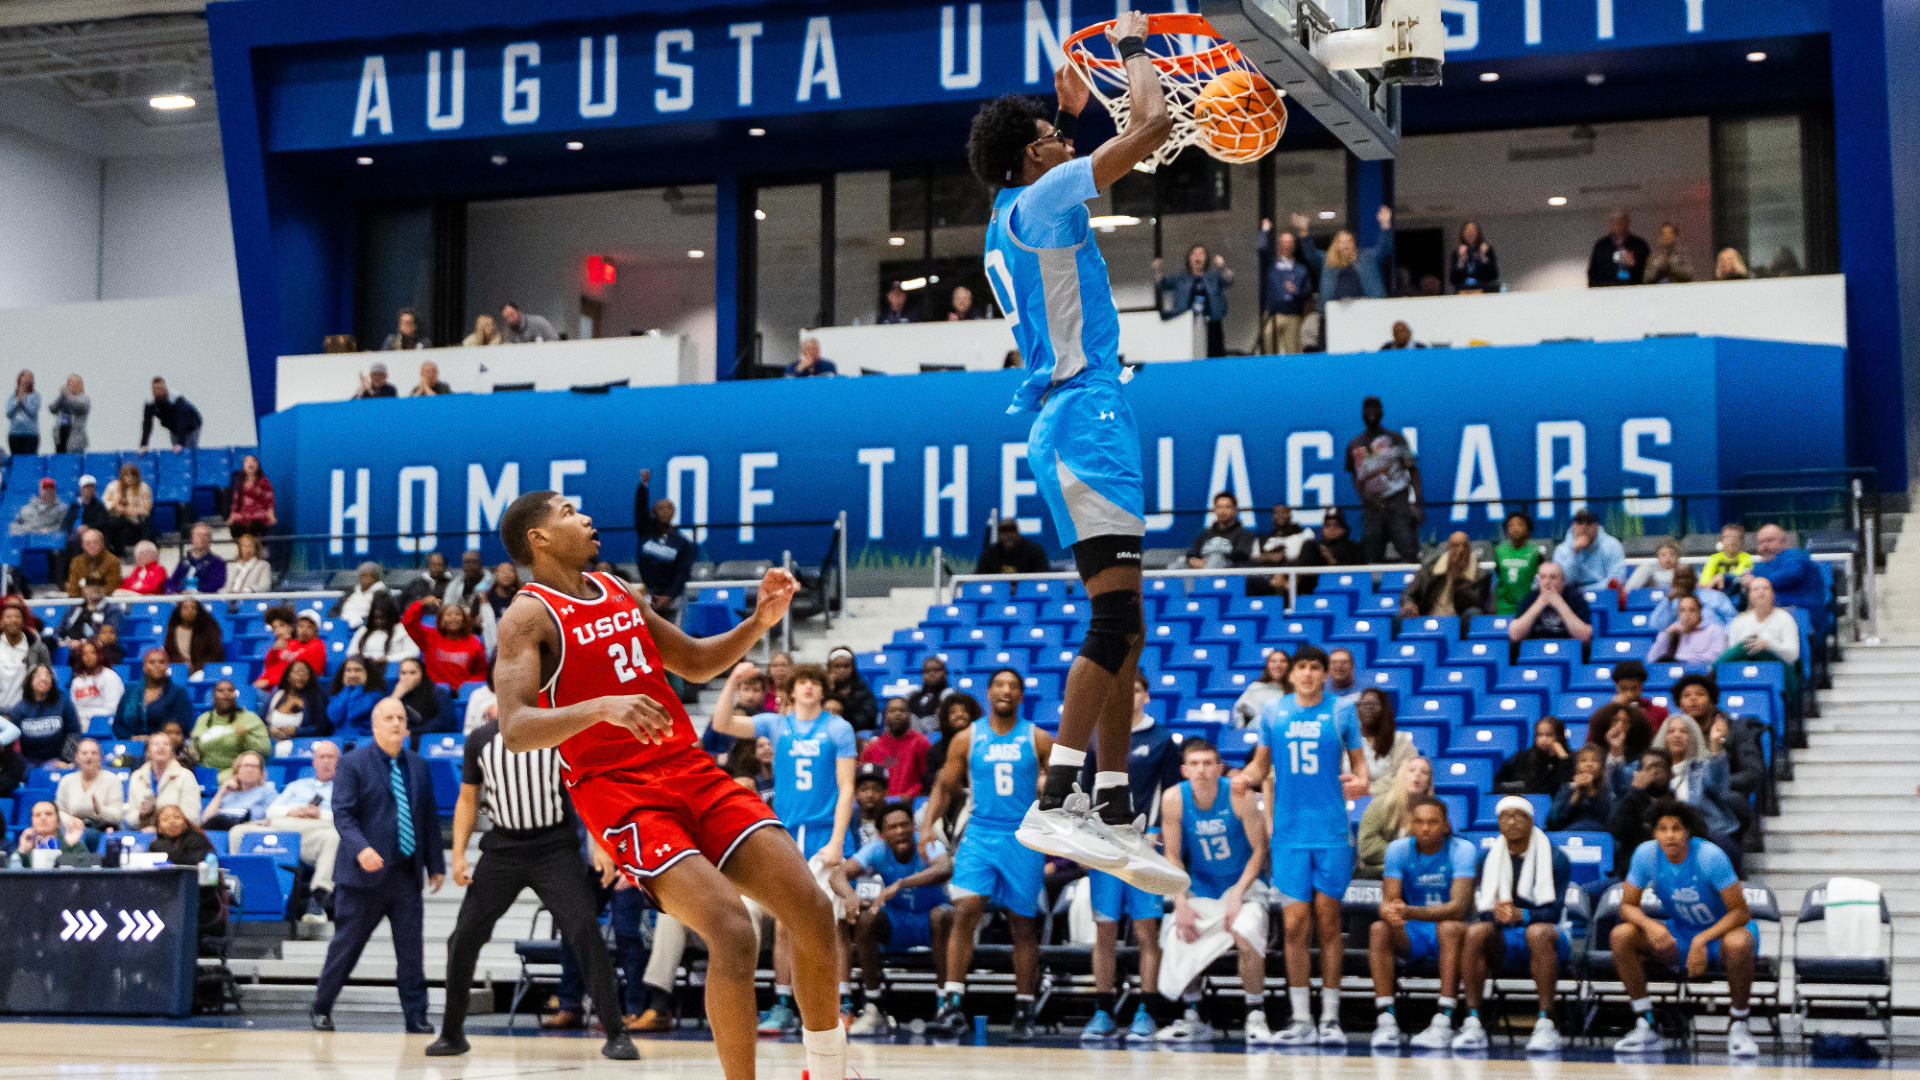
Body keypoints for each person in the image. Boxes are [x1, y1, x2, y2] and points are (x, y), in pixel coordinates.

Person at [491, 489, 850, 1080]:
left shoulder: (618, 590)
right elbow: (516, 727)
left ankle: (829, 1070)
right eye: (567, 512)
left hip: (687, 767)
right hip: (619, 789)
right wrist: (602, 707)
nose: (586, 517)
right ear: (539, 538)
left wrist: (759, 621)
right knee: (732, 930)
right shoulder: (527, 617)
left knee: (810, 906)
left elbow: (697, 664)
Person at [968, 27, 1187, 895]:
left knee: (1127, 620)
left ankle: (1112, 804)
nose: (1069, 142)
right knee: (1113, 623)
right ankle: (1057, 796)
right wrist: (1137, 51)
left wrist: (1060, 112)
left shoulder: (1007, 209)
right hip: (1087, 415)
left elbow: (1046, 154)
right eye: (1057, 138)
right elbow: (1152, 126)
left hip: (1075, 415)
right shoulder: (1050, 190)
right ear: (1035, 157)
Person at [430, 712, 638, 1060]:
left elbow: (585, 788)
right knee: (463, 936)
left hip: (554, 848)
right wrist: (458, 856)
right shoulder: (480, 739)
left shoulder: (559, 731)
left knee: (585, 929)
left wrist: (601, 844)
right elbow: (468, 799)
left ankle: (616, 1033)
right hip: (502, 849)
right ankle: (451, 1034)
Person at [706, 661, 858, 1033]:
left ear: (823, 690)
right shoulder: (775, 724)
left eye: (814, 682)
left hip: (823, 834)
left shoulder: (839, 728)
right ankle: (783, 1002)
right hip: (786, 835)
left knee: (830, 922)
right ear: (790, 691)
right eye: (802, 682)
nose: (808, 687)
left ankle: (842, 1001)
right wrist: (731, 681)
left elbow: (847, 788)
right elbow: (723, 724)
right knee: (786, 923)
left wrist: (838, 841)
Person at [1232, 644, 1369, 1044]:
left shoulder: (1342, 710)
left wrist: (1361, 781)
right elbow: (1261, 764)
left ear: (1325, 674)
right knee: (1294, 926)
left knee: (1328, 922)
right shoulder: (1273, 711)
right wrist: (1244, 777)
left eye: (1315, 667)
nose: (1308, 674)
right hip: (1289, 834)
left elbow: (1359, 765)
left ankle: (1330, 1018)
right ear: (1289, 675)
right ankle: (1301, 1019)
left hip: (1331, 831)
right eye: (1302, 667)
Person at [919, 668, 1053, 1041]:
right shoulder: (967, 737)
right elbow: (944, 784)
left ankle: (1024, 1008)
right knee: (966, 910)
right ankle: (952, 1005)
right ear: (989, 692)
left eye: (1013, 686)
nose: (1006, 690)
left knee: (1022, 925)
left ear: (1022, 696)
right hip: (979, 832)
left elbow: (1065, 784)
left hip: (1023, 837)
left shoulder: (1039, 737)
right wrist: (927, 824)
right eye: (999, 685)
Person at [309, 699, 446, 1035]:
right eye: (389, 718)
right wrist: (362, 849)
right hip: (361, 876)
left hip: (404, 873)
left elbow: (427, 817)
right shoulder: (354, 764)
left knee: (411, 952)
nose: (396, 723)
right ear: (375, 725)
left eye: (401, 718)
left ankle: (416, 1016)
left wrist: (435, 862)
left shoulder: (418, 765)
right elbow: (343, 814)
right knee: (347, 947)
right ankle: (321, 1006)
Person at [1610, 800, 1761, 1056]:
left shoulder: (1709, 856)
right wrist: (1651, 925)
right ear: (1654, 832)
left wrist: (1701, 940)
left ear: (1688, 832)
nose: (1669, 835)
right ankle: (1645, 1024)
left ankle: (1739, 1024)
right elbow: (1627, 907)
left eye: (1677, 829)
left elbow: (1741, 912)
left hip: (1721, 933)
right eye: (1663, 829)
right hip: (1680, 931)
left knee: (1738, 942)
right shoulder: (1646, 854)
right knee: (1621, 934)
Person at [1078, 673, 1182, 1042]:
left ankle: (1146, 1011)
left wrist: (1164, 843)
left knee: (1145, 932)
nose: (1127, 697)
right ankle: (1103, 1011)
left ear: (1146, 696)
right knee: (1104, 931)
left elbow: (1173, 796)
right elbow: (1083, 795)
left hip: (1143, 849)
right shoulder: (1099, 736)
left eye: (1134, 690)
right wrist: (1083, 844)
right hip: (1104, 848)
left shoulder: (1163, 739)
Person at [1151, 738, 1271, 1043]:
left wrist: (1237, 893)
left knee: (1246, 930)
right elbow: (1173, 856)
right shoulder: (1174, 798)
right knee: (1178, 929)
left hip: (1245, 885)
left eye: (1207, 764)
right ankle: (1193, 1016)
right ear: (1184, 770)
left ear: (1219, 768)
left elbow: (1260, 850)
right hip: (1202, 886)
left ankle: (1255, 1015)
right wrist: (1180, 900)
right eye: (1194, 764)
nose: (1201, 770)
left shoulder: (1238, 795)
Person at [828, 803, 957, 1036]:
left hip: (930, 917)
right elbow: (838, 875)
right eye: (893, 827)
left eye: (904, 825)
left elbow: (944, 868)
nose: (900, 831)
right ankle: (874, 1008)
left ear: (913, 827)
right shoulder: (876, 849)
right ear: (882, 834)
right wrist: (850, 896)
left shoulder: (926, 844)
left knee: (943, 915)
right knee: (867, 919)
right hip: (898, 921)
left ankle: (944, 1007)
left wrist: (901, 883)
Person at [1456, 797, 1571, 1052]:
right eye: (1505, 816)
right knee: (1475, 931)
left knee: (1537, 933)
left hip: (1550, 935)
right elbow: (1482, 910)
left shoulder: (1555, 858)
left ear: (1531, 822)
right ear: (1498, 823)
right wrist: (1497, 915)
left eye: (1519, 816)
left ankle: (1546, 1022)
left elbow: (1553, 912)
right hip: (1503, 936)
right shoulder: (1487, 858)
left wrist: (1522, 915)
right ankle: (1473, 1020)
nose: (1512, 821)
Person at [1367, 796, 1476, 1050]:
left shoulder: (1463, 850)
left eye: (1432, 822)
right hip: (1414, 932)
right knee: (1379, 929)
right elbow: (1390, 901)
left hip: (1451, 932)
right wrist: (1389, 911)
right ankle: (1386, 1019)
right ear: (1411, 824)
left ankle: (1444, 1018)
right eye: (1419, 822)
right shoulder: (1398, 849)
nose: (1425, 828)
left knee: (1448, 927)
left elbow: (1457, 909)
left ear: (1446, 825)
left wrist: (1408, 911)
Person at [231, 740, 342, 921]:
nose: (326, 761)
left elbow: (347, 817)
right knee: (238, 832)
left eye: (331, 757)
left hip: (314, 833)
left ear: (339, 762)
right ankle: (240, 890)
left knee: (333, 838)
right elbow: (272, 810)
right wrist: (293, 811)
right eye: (321, 757)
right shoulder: (297, 785)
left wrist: (319, 814)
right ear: (314, 762)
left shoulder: (344, 786)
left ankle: (318, 900)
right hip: (281, 828)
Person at [1345, 396, 1422, 564]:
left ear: (1381, 412)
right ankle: (1373, 588)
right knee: (1371, 553)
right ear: (1362, 414)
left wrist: (1417, 504)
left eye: (1375, 409)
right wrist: (1363, 497)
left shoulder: (1397, 439)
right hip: (1372, 507)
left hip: (1398, 502)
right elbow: (1354, 475)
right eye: (1367, 409)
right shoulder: (1354, 444)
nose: (1371, 413)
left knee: (1408, 550)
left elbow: (1413, 471)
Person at [1721, 576, 1802, 700]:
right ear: (1749, 595)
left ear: (1773, 594)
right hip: (1744, 673)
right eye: (1756, 589)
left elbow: (1793, 655)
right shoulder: (1739, 622)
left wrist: (1768, 645)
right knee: (1740, 651)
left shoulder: (1785, 619)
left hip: (1777, 671)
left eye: (1766, 588)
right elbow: (1733, 655)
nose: (1761, 592)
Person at [1294, 206, 1396, 299]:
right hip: (1333, 311)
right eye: (1341, 242)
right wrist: (1304, 230)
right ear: (1336, 245)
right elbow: (1311, 254)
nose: (1346, 244)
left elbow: (1384, 248)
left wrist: (1385, 224)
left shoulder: (1367, 257)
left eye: (1349, 241)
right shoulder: (1327, 260)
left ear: (1354, 244)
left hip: (1367, 310)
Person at [633, 469, 697, 616]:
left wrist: (670, 595)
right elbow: (640, 510)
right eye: (661, 507)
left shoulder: (682, 543)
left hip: (674, 598)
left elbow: (683, 572)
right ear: (653, 512)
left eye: (670, 507)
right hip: (650, 594)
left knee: (676, 636)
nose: (666, 511)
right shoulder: (646, 532)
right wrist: (643, 485)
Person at [1356, 756, 1433, 877]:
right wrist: (1405, 855)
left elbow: (1437, 848)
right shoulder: (1379, 804)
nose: (1418, 774)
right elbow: (1367, 846)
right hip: (1380, 871)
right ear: (1402, 776)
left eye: (1424, 772)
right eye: (1412, 770)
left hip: (1418, 874)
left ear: (1428, 783)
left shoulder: (1434, 813)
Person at [1749, 523, 1829, 639]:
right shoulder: (1762, 566)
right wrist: (1726, 578)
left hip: (1801, 619)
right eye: (1761, 542)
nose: (1765, 546)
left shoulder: (1795, 555)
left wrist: (1757, 582)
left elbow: (1791, 574)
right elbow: (1745, 577)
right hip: (1773, 619)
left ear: (1785, 542)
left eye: (1770, 540)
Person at [1154, 245, 1233, 357]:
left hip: (1211, 322)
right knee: (1187, 355)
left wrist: (1223, 266)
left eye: (1201, 254)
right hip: (1186, 323)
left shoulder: (1214, 276)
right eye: (1194, 254)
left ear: (1206, 259)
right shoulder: (1181, 278)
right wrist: (1158, 269)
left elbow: (1229, 280)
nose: (1198, 257)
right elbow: (1162, 284)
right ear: (1189, 258)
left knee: (1215, 355)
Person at [1608, 749, 1673, 879]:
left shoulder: (1676, 807)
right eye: (1648, 767)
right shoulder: (1630, 801)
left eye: (1659, 766)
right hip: (1629, 876)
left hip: (1667, 877)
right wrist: (1636, 793)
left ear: (1671, 773)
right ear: (1638, 773)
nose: (1654, 771)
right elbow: (1617, 831)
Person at [401, 596, 489, 689]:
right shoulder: (429, 636)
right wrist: (421, 604)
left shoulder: (474, 642)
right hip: (435, 692)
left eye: (457, 614)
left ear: (464, 620)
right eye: (448, 615)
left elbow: (481, 672)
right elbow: (408, 622)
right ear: (440, 620)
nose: (453, 618)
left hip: (462, 694)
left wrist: (465, 687)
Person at [193, 679, 270, 782]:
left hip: (238, 774)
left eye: (230, 690)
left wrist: (245, 738)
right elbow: (195, 750)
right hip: (206, 774)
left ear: (235, 694)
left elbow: (265, 750)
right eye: (221, 691)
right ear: (213, 695)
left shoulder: (249, 718)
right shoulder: (204, 719)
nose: (226, 694)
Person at [1256, 218, 1313, 354]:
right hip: (1273, 316)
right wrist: (1264, 230)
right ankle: (1272, 372)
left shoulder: (1301, 270)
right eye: (1283, 241)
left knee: (1293, 352)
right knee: (1268, 339)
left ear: (1293, 245)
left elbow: (1308, 292)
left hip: (1293, 315)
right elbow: (1261, 249)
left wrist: (1296, 291)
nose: (1286, 244)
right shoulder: (1271, 267)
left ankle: (1293, 374)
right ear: (1279, 245)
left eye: (1289, 242)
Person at [123, 730, 200, 830]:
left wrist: (160, 828)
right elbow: (130, 820)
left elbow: (192, 817)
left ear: (172, 752)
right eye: (156, 744)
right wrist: (142, 815)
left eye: (166, 744)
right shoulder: (136, 777)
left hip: (177, 836)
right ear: (148, 752)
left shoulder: (185, 776)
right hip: (144, 832)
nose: (161, 747)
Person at [1400, 532, 1489, 617]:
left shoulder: (1480, 575)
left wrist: (1459, 579)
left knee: (1473, 613)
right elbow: (1408, 592)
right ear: (1448, 548)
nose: (1460, 550)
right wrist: (1409, 603)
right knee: (1400, 615)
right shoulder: (1431, 568)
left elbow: (1477, 603)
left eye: (1465, 546)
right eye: (1456, 546)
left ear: (1469, 549)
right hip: (1429, 615)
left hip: (1459, 620)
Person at [1507, 561, 1594, 647]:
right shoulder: (1530, 598)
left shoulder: (1575, 599)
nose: (1547, 581)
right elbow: (1515, 635)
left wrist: (1559, 603)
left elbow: (1584, 636)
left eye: (1553, 577)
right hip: (1535, 649)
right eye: (1543, 577)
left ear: (1563, 581)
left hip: (1567, 648)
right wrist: (1540, 603)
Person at [920, 692, 980, 811]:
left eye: (964, 710)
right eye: (953, 712)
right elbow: (928, 780)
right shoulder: (935, 750)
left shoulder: (983, 745)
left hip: (979, 801)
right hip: (945, 803)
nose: (959, 715)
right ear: (945, 719)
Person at [114, 648, 192, 739]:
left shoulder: (178, 693)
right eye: (151, 662)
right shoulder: (130, 694)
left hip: (166, 743)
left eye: (161, 662)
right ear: (144, 667)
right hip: (134, 743)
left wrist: (152, 738)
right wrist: (132, 737)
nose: (157, 665)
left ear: (167, 666)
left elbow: (181, 723)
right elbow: (118, 725)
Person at [861, 696, 930, 797]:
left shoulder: (920, 742)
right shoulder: (871, 748)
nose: (897, 714)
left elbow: (927, 778)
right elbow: (866, 782)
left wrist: (908, 796)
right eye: (892, 711)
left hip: (911, 801)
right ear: (885, 715)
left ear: (909, 715)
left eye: (902, 710)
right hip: (880, 804)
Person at [10, 664, 78, 767]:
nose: (43, 679)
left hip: (58, 761)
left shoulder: (64, 703)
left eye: (47, 675)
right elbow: (14, 743)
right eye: (38, 675)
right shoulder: (19, 709)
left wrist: (66, 761)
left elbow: (73, 733)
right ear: (29, 681)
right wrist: (23, 765)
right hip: (27, 763)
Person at [1588, 701, 1656, 798]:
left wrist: (1618, 752)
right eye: (1615, 720)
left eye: (1625, 722)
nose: (1619, 726)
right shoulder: (1592, 754)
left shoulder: (1641, 757)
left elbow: (1623, 789)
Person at [56, 738, 124, 834]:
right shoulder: (66, 780)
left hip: (103, 830)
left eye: (94, 753)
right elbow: (58, 812)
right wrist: (70, 821)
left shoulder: (112, 780)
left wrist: (99, 809)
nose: (89, 757)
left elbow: (118, 816)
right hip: (72, 830)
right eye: (84, 753)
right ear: (77, 758)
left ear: (100, 757)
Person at [1355, 687, 1414, 795]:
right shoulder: (1346, 741)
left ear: (1384, 708)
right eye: (1363, 704)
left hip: (1389, 803)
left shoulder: (1400, 742)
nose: (1368, 708)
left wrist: (1368, 790)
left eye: (1373, 704)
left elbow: (1405, 780)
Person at [1248, 504, 1317, 595]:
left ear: (1290, 515)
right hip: (1270, 579)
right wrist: (1269, 557)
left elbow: (1306, 555)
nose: (1280, 515)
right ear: (1272, 517)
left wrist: (1283, 558)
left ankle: (1290, 584)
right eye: (1276, 513)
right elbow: (1254, 558)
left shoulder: (1304, 534)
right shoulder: (1262, 539)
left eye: (1284, 512)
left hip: (1297, 578)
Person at [1496, 716, 1574, 795]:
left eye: (1549, 735)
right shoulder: (1522, 757)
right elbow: (1499, 782)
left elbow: (1566, 787)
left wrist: (1564, 758)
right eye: (1539, 735)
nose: (1543, 740)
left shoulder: (1570, 759)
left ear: (1559, 736)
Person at [201, 750, 278, 828]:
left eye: (254, 766)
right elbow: (206, 819)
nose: (249, 770)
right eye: (246, 765)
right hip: (222, 831)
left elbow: (273, 819)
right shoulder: (227, 793)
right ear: (237, 770)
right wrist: (221, 793)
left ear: (260, 773)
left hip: (250, 833)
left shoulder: (267, 792)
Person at [1554, 508, 1628, 589]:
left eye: (1588, 523)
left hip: (1603, 593)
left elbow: (1617, 578)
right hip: (1573, 596)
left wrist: (1587, 591)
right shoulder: (1562, 550)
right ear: (1573, 526)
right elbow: (1563, 581)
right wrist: (1574, 552)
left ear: (1597, 526)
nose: (1583, 527)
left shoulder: (1612, 545)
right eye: (1579, 523)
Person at [255, 605, 326, 690]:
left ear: (316, 630)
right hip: (278, 687)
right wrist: (273, 651)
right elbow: (271, 666)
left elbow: (293, 671)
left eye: (309, 627)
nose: (304, 630)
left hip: (303, 689)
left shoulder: (317, 645)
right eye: (301, 626)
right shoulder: (292, 643)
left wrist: (269, 682)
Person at [1648, 565, 1738, 631]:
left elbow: (1734, 622)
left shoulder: (1715, 597)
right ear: (1674, 582)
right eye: (1679, 578)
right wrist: (1668, 600)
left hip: (1714, 645)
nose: (1684, 581)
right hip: (1683, 646)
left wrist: (1721, 636)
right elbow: (1656, 626)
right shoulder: (1671, 602)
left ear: (1695, 580)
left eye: (1687, 577)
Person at [1547, 745, 1614, 831]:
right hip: (1567, 836)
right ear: (1577, 766)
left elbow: (1608, 820)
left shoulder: (1607, 789)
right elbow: (1552, 821)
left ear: (1602, 767)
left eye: (1595, 761)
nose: (1589, 764)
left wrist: (1591, 791)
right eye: (1583, 761)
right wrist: (1576, 794)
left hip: (1597, 836)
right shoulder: (1566, 788)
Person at [1649, 595, 1729, 665]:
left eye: (1692, 610)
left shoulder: (1713, 629)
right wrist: (1666, 634)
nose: (1687, 614)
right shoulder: (1675, 633)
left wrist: (1683, 660)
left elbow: (1715, 657)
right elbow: (1652, 659)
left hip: (1701, 675)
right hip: (1677, 674)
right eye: (1683, 610)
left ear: (1699, 612)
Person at [1491, 512, 1545, 616]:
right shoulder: (1499, 551)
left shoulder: (1535, 552)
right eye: (1511, 525)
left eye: (1520, 524)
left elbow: (1539, 579)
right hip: (1504, 605)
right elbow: (1498, 574)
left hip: (1528, 604)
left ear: (1528, 529)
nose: (1515, 528)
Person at [57, 475, 109, 582]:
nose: (89, 490)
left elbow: (104, 523)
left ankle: (79, 577)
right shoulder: (74, 506)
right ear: (81, 489)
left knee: (77, 543)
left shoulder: (99, 506)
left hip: (89, 536)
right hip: (72, 535)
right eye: (86, 487)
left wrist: (88, 527)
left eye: (91, 487)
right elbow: (66, 523)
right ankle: (62, 581)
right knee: (60, 547)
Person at [347, 592, 420, 668]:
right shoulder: (363, 631)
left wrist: (387, 659)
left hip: (392, 669)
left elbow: (413, 652)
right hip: (365, 669)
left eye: (383, 618)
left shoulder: (401, 630)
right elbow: (351, 652)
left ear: (390, 616)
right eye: (376, 618)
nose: (379, 621)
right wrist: (364, 659)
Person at [0, 604, 50, 711]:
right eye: (8, 617)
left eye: (17, 617)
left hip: (28, 713)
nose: (13, 620)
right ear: (1, 622)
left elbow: (48, 681)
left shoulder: (38, 649)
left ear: (23, 622)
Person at [1186, 491, 1254, 569]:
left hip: (1229, 570)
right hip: (1201, 566)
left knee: (1215, 559)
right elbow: (1192, 553)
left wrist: (1209, 560)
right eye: (1219, 507)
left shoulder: (1244, 534)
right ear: (1214, 510)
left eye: (1227, 507)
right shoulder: (1204, 533)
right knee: (1180, 563)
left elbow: (1241, 555)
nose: (1222, 511)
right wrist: (1194, 560)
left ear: (1235, 510)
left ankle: (1206, 579)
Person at [66, 639, 123, 731]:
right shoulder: (77, 681)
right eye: (85, 654)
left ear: (99, 655)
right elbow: (74, 708)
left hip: (104, 722)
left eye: (92, 652)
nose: (89, 657)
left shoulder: (110, 676)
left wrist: (89, 717)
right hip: (80, 722)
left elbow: (113, 708)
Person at [822, 647, 879, 734]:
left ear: (853, 668)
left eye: (846, 666)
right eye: (837, 666)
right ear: (830, 668)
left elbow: (868, 717)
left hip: (856, 732)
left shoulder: (862, 689)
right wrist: (829, 689)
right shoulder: (822, 691)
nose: (842, 670)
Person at [1588, 209, 1650, 287]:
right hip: (1607, 290)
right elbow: (1593, 273)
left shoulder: (1640, 244)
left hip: (1634, 289)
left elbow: (1648, 271)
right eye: (1615, 222)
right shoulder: (1601, 246)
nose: (1618, 225)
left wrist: (1634, 264)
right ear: (1611, 224)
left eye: (1621, 222)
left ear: (1627, 223)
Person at [102, 463, 153, 556]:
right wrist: (115, 505)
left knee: (145, 520)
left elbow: (146, 509)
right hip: (119, 517)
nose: (129, 478)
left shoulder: (143, 487)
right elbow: (106, 503)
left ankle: (145, 551)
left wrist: (127, 511)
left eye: (132, 475)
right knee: (109, 523)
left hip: (136, 518)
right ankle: (115, 553)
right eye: (127, 475)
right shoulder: (113, 486)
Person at [1231, 650, 1290, 729]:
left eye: (1283, 661)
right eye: (1273, 661)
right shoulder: (1256, 687)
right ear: (1267, 665)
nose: (1278, 664)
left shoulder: (1297, 690)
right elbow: (1240, 711)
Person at [165, 523, 229, 596]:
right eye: (198, 535)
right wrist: (175, 592)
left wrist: (194, 591)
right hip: (181, 601)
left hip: (204, 601)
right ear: (192, 537)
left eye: (206, 535)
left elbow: (216, 585)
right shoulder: (184, 561)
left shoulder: (218, 562)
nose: (202, 538)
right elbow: (172, 582)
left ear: (210, 538)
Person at [139, 377, 202, 450]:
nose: (158, 391)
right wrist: (144, 444)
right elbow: (147, 424)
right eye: (155, 389)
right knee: (176, 452)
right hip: (174, 427)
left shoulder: (176, 399)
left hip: (191, 424)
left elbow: (181, 421)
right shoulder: (150, 403)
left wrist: (180, 444)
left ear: (165, 389)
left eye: (160, 389)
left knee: (188, 449)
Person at [327, 658, 385, 733]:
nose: (353, 674)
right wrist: (346, 688)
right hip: (338, 740)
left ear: (367, 673)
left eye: (358, 670)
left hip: (364, 740)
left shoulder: (375, 695)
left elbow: (354, 713)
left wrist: (359, 686)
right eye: (348, 670)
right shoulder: (337, 695)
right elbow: (334, 717)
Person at [976, 518, 1050, 575]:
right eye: (1004, 531)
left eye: (1012, 530)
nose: (1008, 535)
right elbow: (979, 577)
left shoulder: (1034, 551)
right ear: (998, 534)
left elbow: (1043, 576)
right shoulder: (990, 554)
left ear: (1018, 532)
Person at [228, 455, 277, 539]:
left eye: (253, 461)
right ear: (244, 465)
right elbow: (236, 502)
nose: (250, 463)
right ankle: (241, 549)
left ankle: (257, 549)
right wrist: (231, 517)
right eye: (247, 461)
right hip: (242, 515)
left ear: (257, 465)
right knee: (235, 527)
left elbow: (269, 500)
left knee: (256, 526)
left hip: (258, 514)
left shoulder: (264, 482)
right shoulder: (239, 483)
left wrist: (271, 516)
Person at [1611, 659, 1670, 729]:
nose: (1629, 694)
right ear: (1616, 686)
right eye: (1623, 689)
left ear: (1641, 686)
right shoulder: (1607, 714)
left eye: (1634, 688)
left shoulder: (1660, 713)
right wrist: (1614, 710)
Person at [64, 529, 122, 597]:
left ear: (102, 543)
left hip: (104, 601)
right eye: (88, 543)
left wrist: (92, 593)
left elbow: (112, 587)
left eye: (95, 542)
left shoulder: (113, 561)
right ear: (83, 545)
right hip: (81, 601)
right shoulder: (76, 561)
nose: (92, 546)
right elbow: (72, 588)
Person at [1700, 523, 1754, 596]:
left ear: (1741, 542)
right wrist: (1715, 580)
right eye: (1727, 537)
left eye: (1735, 537)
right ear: (1722, 540)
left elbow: (1741, 575)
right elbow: (1704, 582)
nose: (1731, 541)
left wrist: (1721, 577)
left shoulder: (1747, 558)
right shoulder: (1714, 558)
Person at [904, 655, 953, 735]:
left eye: (936, 670)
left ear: (944, 673)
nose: (932, 674)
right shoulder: (913, 697)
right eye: (927, 671)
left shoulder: (949, 695)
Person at [334, 562, 389, 629]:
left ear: (375, 578)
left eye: (366, 575)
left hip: (366, 627)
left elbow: (380, 616)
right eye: (361, 575)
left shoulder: (382, 594)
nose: (362, 578)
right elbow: (335, 610)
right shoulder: (351, 591)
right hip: (342, 624)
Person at [1449, 221, 1499, 293]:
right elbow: (1453, 280)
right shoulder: (1457, 253)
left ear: (1478, 233)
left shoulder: (1487, 250)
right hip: (1463, 292)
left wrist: (1483, 258)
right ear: (1463, 234)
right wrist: (1461, 261)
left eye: (1473, 230)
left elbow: (1493, 276)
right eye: (1467, 230)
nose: (1470, 232)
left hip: (1483, 291)